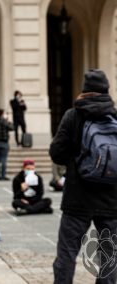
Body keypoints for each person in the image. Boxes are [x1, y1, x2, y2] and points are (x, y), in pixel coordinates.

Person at [50, 69, 117, 283]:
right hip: (111, 199)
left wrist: (76, 159)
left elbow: (57, 153)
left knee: (67, 255)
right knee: (109, 258)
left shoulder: (73, 116)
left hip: (77, 199)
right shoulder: (115, 116)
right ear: (106, 90)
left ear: (85, 90)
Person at [0, 109, 14, 181]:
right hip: (4, 142)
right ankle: (3, 175)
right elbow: (12, 128)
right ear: (2, 114)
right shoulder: (4, 122)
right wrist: (8, 120)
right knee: (3, 159)